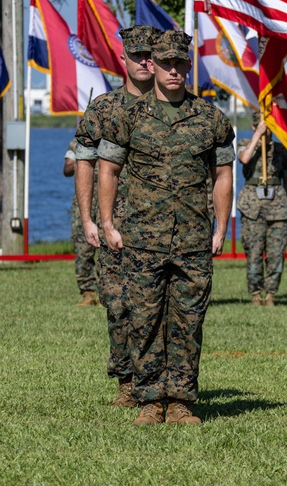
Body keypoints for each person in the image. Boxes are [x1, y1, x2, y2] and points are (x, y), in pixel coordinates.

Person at [98, 30, 235, 426]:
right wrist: (108, 223)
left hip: (193, 239)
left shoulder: (211, 118)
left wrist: (221, 227)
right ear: (152, 66)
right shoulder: (128, 115)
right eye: (166, 63)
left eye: (180, 63)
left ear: (189, 66)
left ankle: (179, 401)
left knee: (188, 321)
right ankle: (148, 399)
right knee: (143, 320)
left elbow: (223, 175)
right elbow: (108, 170)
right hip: (142, 237)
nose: (173, 70)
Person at [74, 24, 157, 407]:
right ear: (123, 60)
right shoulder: (104, 108)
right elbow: (84, 163)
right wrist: (90, 219)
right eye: (137, 56)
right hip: (116, 223)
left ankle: (160, 384)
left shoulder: (174, 105)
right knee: (119, 303)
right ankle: (126, 381)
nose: (144, 62)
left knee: (163, 307)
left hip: (162, 224)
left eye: (150, 56)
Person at [238, 112, 287, 307]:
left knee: (276, 253)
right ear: (254, 127)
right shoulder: (246, 143)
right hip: (253, 207)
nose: (266, 131)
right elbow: (244, 159)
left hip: (277, 207)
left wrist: (282, 199)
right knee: (254, 251)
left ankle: (271, 293)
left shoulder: (280, 149)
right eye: (262, 127)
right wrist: (256, 137)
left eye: (269, 127)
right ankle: (255, 293)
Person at [65, 139, 98, 306]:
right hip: (84, 203)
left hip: (112, 200)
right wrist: (79, 164)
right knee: (82, 246)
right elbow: (67, 169)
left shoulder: (116, 138)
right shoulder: (78, 142)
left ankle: (110, 292)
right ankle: (88, 292)